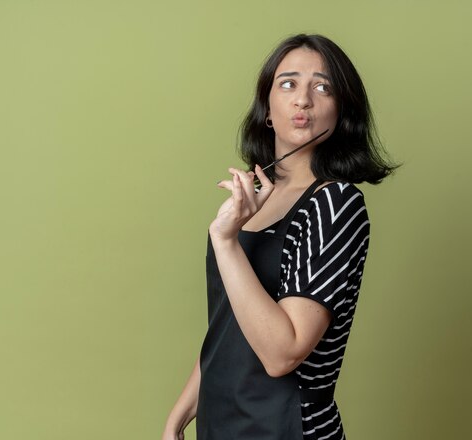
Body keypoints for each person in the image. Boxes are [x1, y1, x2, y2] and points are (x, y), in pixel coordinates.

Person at [162, 33, 398, 440]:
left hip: (287, 428)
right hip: (222, 424)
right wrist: (180, 415)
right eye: (287, 83)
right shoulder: (254, 199)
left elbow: (283, 353)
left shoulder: (335, 203)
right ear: (267, 109)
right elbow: (229, 326)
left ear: (341, 112)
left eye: (322, 87)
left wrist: (225, 242)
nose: (303, 99)